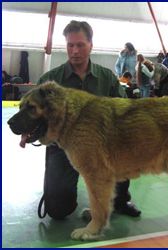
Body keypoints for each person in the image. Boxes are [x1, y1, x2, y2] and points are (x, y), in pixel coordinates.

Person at [37, 20, 141, 220]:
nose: (74, 50)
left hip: (104, 148)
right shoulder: (50, 80)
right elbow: (35, 115)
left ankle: (119, 199)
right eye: (70, 45)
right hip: (63, 149)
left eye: (80, 45)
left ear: (91, 45)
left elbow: (125, 112)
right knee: (58, 210)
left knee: (125, 147)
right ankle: (65, 194)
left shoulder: (108, 78)